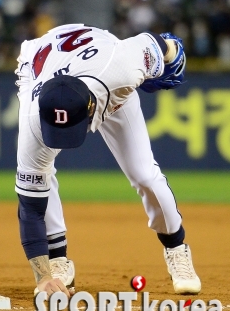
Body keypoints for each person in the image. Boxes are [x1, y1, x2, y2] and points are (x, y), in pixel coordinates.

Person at [14, 24, 201, 296]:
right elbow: (30, 207)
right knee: (40, 170)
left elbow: (164, 44)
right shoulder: (35, 120)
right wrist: (42, 277)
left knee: (144, 174)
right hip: (37, 64)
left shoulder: (122, 66)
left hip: (101, 64)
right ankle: (56, 261)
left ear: (91, 109)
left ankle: (177, 249)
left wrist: (171, 56)